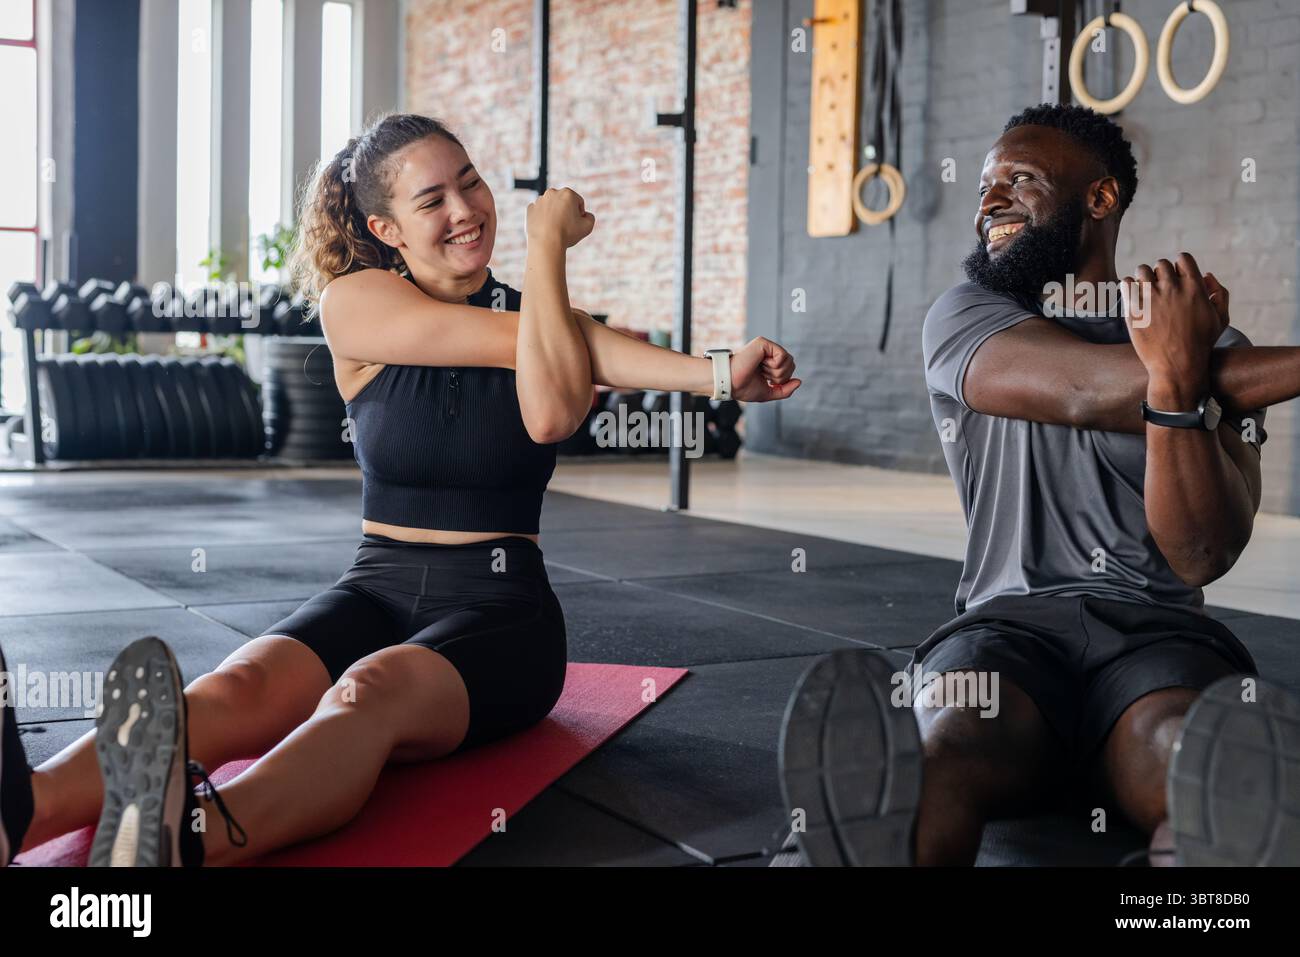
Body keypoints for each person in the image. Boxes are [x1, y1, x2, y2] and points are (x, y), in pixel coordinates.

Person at [0, 112, 801, 867]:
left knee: (367, 693)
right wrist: (587, 318)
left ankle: (194, 834)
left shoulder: (549, 321)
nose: (465, 208)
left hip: (504, 618)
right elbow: (539, 345)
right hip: (376, 584)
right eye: (432, 199)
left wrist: (694, 361)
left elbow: (554, 410)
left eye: (471, 181)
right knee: (236, 686)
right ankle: (20, 809)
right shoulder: (357, 302)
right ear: (384, 229)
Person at [780, 103, 1300, 867]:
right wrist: (1186, 372)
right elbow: (1084, 390)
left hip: (1156, 637)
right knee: (943, 745)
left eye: (1019, 181)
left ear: (1100, 199)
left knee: (1203, 766)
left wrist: (1184, 386)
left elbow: (1200, 552)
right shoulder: (966, 315)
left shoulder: (1216, 347)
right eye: (986, 184)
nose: (988, 199)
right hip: (1006, 629)